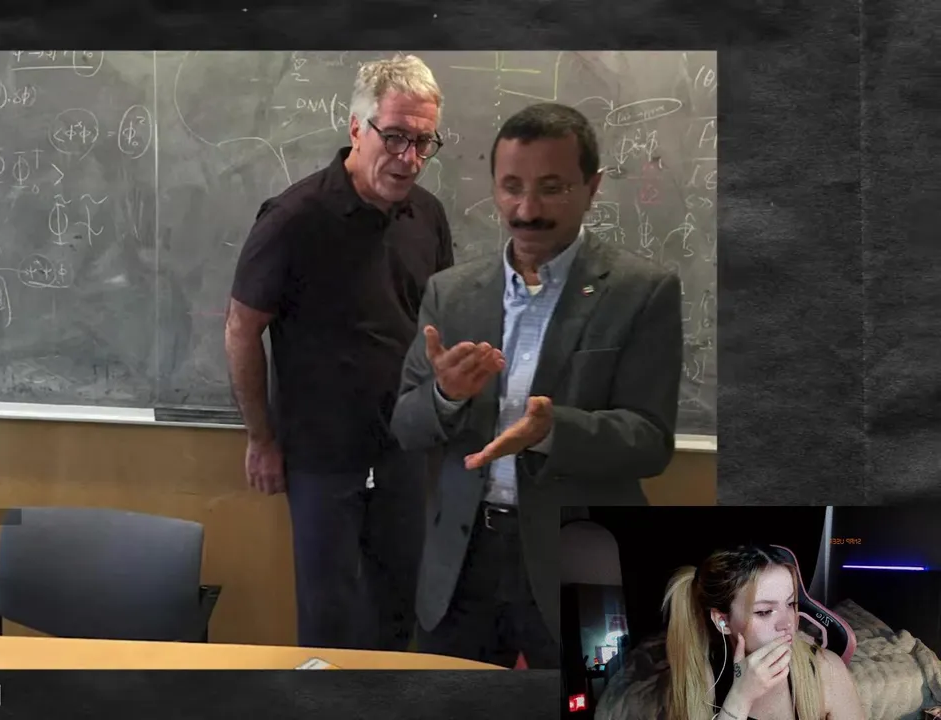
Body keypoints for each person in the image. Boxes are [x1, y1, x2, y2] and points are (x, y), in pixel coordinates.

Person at [390, 102, 685, 668]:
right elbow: (405, 425)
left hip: (575, 557)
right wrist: (445, 396)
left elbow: (651, 441)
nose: (527, 210)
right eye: (512, 188)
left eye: (552, 188)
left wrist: (553, 431)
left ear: (592, 187)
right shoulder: (451, 292)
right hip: (462, 563)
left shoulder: (642, 292)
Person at [224, 54, 453, 651]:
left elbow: (436, 323)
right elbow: (242, 329)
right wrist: (261, 439)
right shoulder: (293, 219)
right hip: (320, 456)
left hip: (404, 450)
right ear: (356, 127)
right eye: (395, 137)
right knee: (328, 619)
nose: (409, 158)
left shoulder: (428, 216)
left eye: (423, 142)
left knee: (400, 611)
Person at [662, 545, 865, 719]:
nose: (788, 623)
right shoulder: (702, 680)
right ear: (723, 621)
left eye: (790, 604)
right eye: (764, 611)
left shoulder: (826, 671)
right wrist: (739, 698)